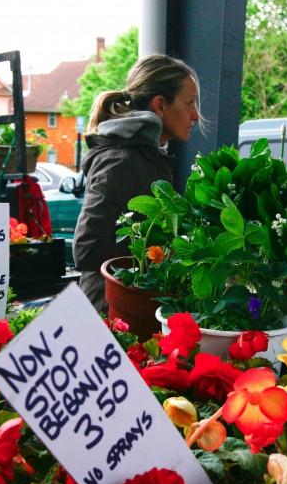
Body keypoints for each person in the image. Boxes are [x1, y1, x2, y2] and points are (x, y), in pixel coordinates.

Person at [73, 54, 201, 312]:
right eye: (189, 103)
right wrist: (160, 250)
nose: (195, 115)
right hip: (109, 317)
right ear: (160, 105)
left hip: (128, 311)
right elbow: (86, 248)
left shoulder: (145, 157)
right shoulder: (122, 161)